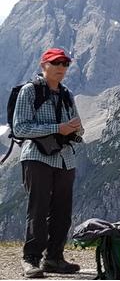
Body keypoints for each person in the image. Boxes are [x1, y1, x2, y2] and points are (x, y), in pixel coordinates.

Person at [12, 48, 84, 278]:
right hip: (36, 157)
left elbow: (75, 123)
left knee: (63, 211)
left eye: (65, 64)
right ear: (43, 65)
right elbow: (20, 128)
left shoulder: (66, 94)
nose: (61, 68)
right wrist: (57, 128)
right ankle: (30, 259)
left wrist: (76, 129)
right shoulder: (29, 91)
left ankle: (54, 258)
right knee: (38, 209)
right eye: (56, 63)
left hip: (65, 158)